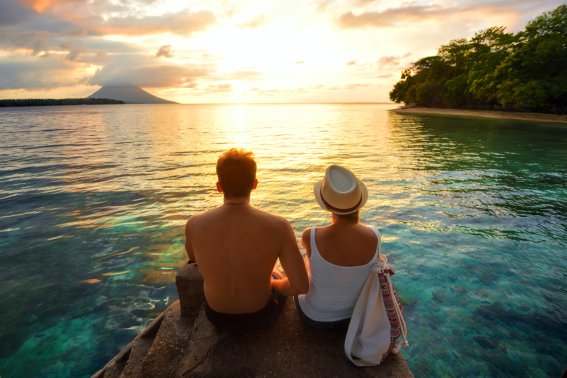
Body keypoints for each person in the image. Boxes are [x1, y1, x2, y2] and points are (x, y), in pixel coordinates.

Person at [185, 148, 309, 330]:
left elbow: (193, 260)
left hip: (216, 316)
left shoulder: (194, 224)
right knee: (274, 272)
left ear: (219, 186)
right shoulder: (278, 225)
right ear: (254, 184)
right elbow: (301, 286)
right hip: (260, 316)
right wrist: (275, 283)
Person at [295, 165, 380, 328]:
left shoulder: (311, 235)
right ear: (359, 201)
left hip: (314, 317)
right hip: (353, 317)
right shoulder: (375, 236)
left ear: (327, 205)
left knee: (307, 262)